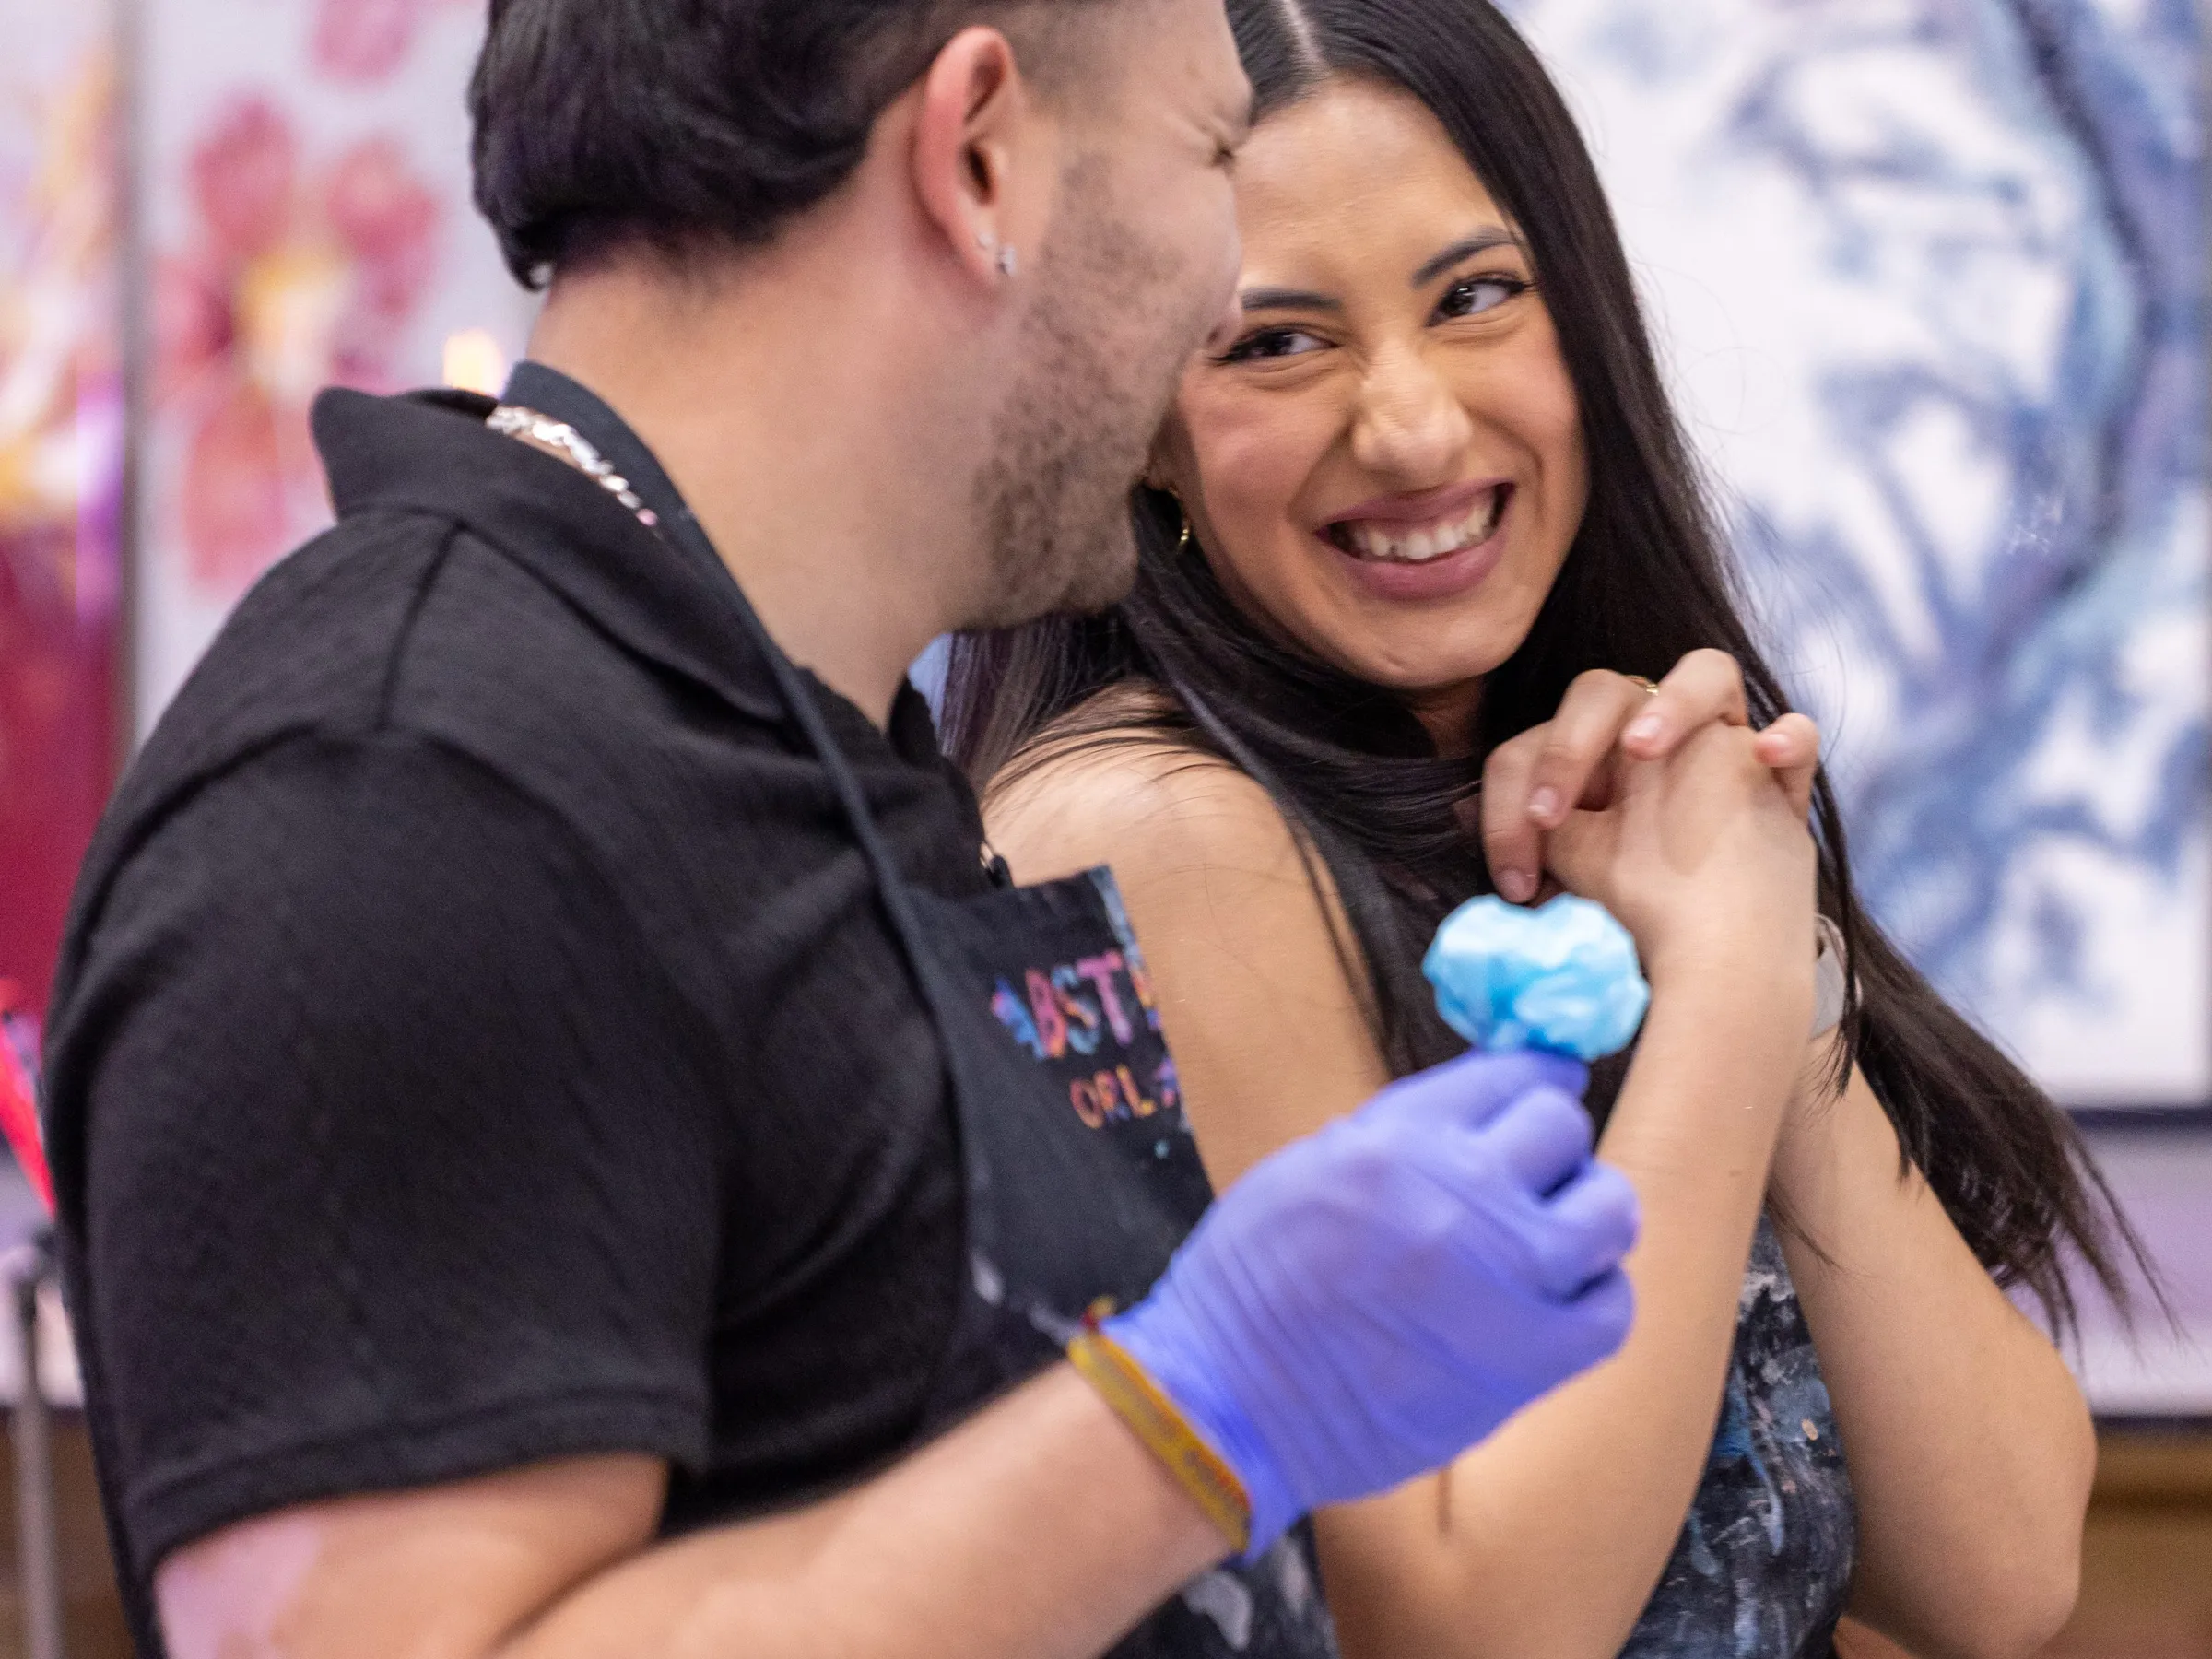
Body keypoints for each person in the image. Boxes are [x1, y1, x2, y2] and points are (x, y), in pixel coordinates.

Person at [39, 2, 1646, 1656]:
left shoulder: (790, 728)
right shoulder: (399, 795)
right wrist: (1199, 1416)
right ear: (977, 158)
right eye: (1210, 158)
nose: (1219, 298)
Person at [943, 2, 2147, 1655]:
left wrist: (1756, 943)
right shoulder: (1161, 830)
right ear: (1143, 416)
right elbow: (1468, 1630)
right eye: (1276, 342)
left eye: (1477, 297)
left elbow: (2003, 1575)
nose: (1417, 426)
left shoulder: (1603, 800)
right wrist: (1721, 984)